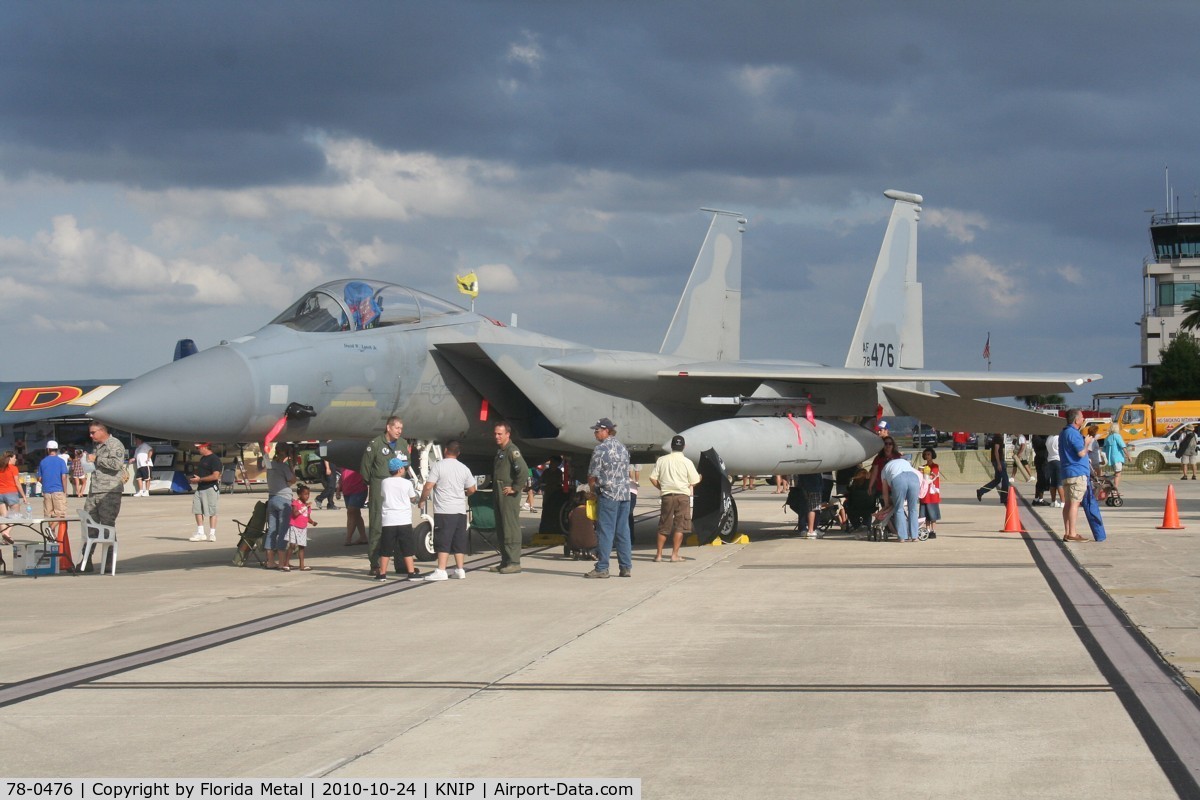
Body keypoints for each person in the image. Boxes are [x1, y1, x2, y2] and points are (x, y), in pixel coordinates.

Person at [418, 440, 477, 581]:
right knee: (458, 541)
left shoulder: (439, 466)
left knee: (443, 540)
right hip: (460, 511)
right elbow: (472, 489)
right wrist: (464, 494)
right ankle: (460, 569)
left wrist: (422, 500)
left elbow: (428, 486)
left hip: (444, 510)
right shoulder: (464, 468)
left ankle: (441, 570)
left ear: (445, 451)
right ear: (458, 453)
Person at [360, 416, 410, 577]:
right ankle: (375, 563)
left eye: (401, 428)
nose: (399, 431)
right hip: (380, 485)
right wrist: (377, 484)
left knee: (401, 524)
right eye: (397, 428)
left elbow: (407, 462)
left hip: (399, 484)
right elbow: (365, 470)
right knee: (378, 524)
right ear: (388, 428)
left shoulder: (402, 443)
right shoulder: (375, 444)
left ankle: (401, 564)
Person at [584, 417, 632, 579]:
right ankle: (625, 567)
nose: (595, 434)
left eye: (597, 430)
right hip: (625, 494)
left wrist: (591, 491)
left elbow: (592, 475)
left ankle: (602, 567)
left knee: (605, 531)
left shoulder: (600, 449)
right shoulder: (623, 448)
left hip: (608, 494)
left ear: (606, 431)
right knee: (623, 531)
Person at [649, 434, 701, 563]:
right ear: (683, 447)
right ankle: (674, 555)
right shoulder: (687, 462)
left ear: (671, 446)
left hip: (667, 495)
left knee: (663, 525)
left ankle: (659, 555)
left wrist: (662, 488)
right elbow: (694, 480)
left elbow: (652, 478)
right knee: (680, 526)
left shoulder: (662, 460)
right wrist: (700, 478)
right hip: (682, 496)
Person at [82, 423, 127, 570]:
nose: (91, 435)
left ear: (102, 431)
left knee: (107, 526)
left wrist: (96, 459)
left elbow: (116, 464)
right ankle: (86, 560)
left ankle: (109, 561)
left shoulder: (115, 444)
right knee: (90, 526)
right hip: (95, 490)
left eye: (93, 432)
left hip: (109, 492)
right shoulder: (98, 446)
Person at [489, 421, 528, 574]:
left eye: (500, 434)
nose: (497, 436)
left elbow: (523, 471)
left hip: (508, 494)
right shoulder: (501, 451)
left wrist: (515, 488)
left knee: (510, 526)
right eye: (495, 433)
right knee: (501, 526)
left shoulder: (512, 451)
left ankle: (514, 562)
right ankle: (505, 560)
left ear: (507, 434)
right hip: (499, 491)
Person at [378, 456, 422, 582]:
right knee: (407, 547)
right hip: (403, 519)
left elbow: (384, 495)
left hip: (388, 520)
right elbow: (412, 498)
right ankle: (411, 572)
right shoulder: (407, 483)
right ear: (400, 469)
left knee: (386, 548)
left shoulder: (384, 482)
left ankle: (382, 573)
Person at [1059, 409, 1094, 542]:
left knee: (1068, 503)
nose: (1083, 419)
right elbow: (1081, 453)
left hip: (1066, 472)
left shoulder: (1063, 433)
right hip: (1077, 472)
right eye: (1082, 417)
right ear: (1076, 420)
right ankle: (1072, 533)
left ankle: (1068, 532)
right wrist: (1087, 443)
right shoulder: (1073, 434)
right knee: (1075, 503)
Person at [264, 445, 297, 569]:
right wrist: (291, 466)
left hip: (272, 497)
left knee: (272, 530)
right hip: (283, 498)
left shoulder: (270, 465)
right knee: (283, 530)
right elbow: (293, 479)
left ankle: (270, 561)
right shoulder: (283, 467)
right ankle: (282, 562)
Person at [877, 456, 923, 542]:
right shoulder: (903, 462)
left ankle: (902, 536)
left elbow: (885, 491)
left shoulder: (884, 470)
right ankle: (915, 536)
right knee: (913, 509)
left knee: (899, 509)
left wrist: (887, 505)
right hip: (914, 478)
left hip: (898, 479)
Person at [187, 442, 223, 542]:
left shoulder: (214, 459)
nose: (198, 450)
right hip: (200, 488)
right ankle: (201, 532)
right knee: (197, 510)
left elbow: (216, 476)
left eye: (199, 448)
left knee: (212, 511)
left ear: (205, 447)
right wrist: (196, 479)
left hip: (210, 488)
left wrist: (200, 479)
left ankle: (212, 534)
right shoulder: (203, 458)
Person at [282, 483, 317, 571]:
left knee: (302, 547)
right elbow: (295, 514)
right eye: (305, 494)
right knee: (292, 545)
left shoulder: (307, 506)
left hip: (303, 528)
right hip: (294, 526)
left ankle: (302, 565)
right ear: (299, 494)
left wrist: (312, 522)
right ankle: (286, 564)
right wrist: (304, 507)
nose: (307, 496)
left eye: (308, 494)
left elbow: (307, 517)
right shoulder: (296, 503)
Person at [0, 450, 30, 544]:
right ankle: (7, 533)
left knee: (3, 517)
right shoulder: (13, 468)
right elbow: (17, 483)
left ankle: (5, 537)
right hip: (11, 493)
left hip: (0, 493)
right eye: (14, 458)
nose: (16, 459)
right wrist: (24, 496)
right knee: (16, 516)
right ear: (10, 458)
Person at [36, 440, 69, 519]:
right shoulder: (61, 461)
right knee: (60, 514)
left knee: (48, 514)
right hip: (58, 490)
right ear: (57, 450)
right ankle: (52, 529)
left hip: (46, 491)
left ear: (47, 450)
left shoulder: (42, 462)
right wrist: (65, 491)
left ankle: (51, 530)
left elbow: (39, 478)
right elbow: (64, 477)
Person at [976, 434, 1009, 504]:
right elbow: (996, 451)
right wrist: (999, 463)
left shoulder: (996, 437)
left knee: (997, 480)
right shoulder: (998, 438)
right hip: (998, 461)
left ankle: (981, 491)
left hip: (997, 461)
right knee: (1005, 480)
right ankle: (1004, 498)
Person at [340, 467, 368, 546]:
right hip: (347, 490)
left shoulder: (356, 461)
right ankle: (363, 537)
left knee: (351, 512)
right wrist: (339, 489)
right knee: (356, 514)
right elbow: (342, 477)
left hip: (358, 489)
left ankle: (348, 538)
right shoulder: (343, 464)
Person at [919, 448, 941, 538]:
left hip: (932, 494)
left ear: (932, 455)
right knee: (925, 514)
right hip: (924, 494)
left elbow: (932, 477)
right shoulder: (922, 467)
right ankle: (927, 530)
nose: (927, 456)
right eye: (926, 454)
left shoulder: (935, 466)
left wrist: (924, 474)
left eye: (929, 454)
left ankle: (933, 530)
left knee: (933, 514)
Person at [1102, 423, 1127, 490]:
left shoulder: (1107, 437)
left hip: (1111, 458)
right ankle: (1115, 488)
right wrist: (1128, 455)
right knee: (1118, 474)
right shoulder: (1117, 436)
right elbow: (1123, 446)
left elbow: (1104, 449)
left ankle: (1112, 484)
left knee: (1116, 473)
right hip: (1118, 458)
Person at [1044, 429, 1063, 508]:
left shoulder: (1049, 438)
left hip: (1050, 460)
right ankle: (1063, 501)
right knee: (1060, 482)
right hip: (1058, 459)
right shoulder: (1058, 438)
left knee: (1053, 482)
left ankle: (1053, 501)